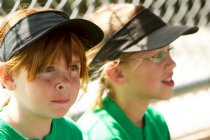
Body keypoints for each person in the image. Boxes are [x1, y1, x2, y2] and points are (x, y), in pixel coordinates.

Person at [77, 3, 198, 140]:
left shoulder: (155, 121)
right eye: (157, 56)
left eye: (168, 51)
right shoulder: (102, 134)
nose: (172, 64)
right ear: (117, 73)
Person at [0, 8, 103, 139]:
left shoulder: (71, 132)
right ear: (8, 77)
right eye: (47, 69)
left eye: (73, 67)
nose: (65, 82)